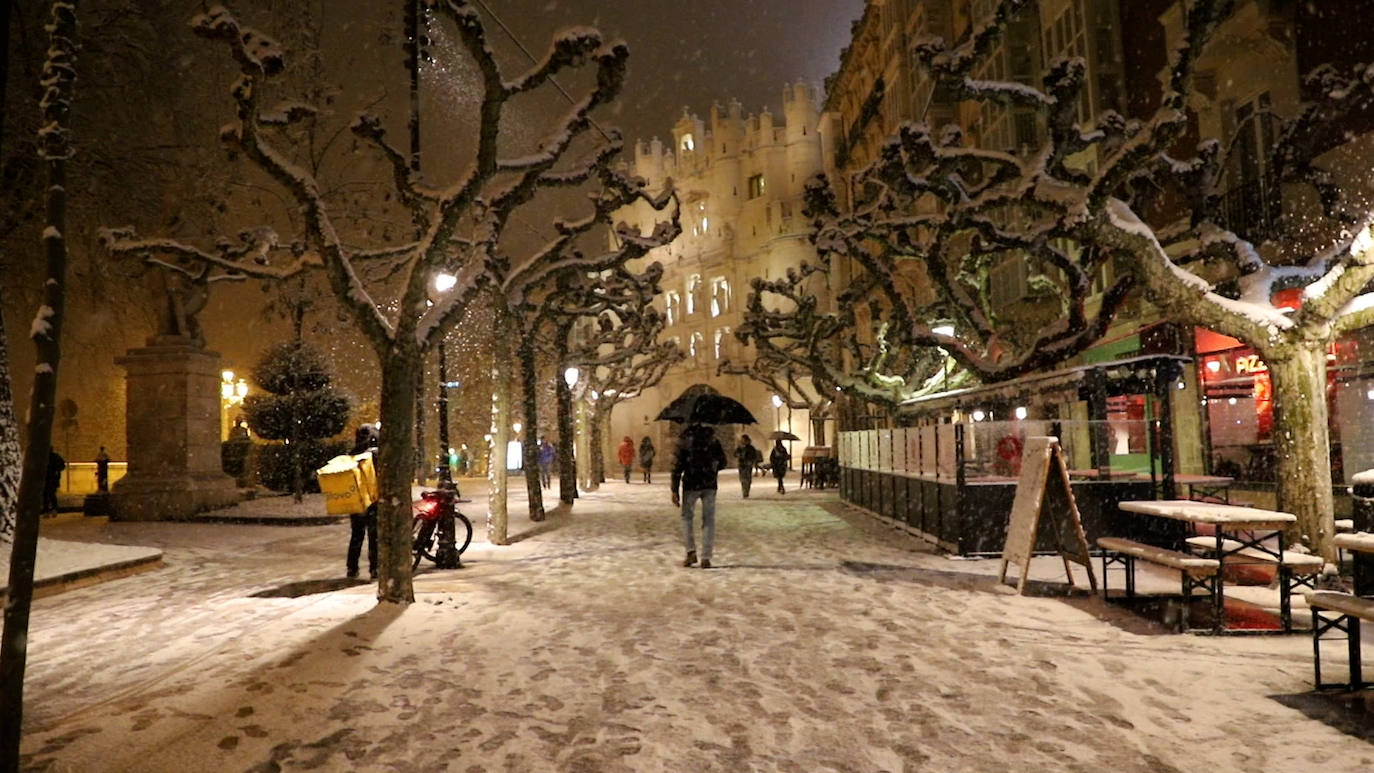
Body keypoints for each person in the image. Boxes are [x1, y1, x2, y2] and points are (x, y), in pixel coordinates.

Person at [671, 424, 727, 568]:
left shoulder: (685, 440)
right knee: (708, 519)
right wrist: (711, 468)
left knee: (686, 517)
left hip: (691, 483)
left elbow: (677, 465)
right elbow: (723, 462)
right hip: (709, 483)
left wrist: (675, 489)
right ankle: (706, 557)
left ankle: (691, 552)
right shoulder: (713, 440)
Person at [346, 424, 379, 580]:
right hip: (372, 500)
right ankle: (375, 567)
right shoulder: (374, 455)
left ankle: (352, 568)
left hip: (357, 501)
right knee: (374, 536)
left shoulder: (352, 455)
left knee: (357, 536)